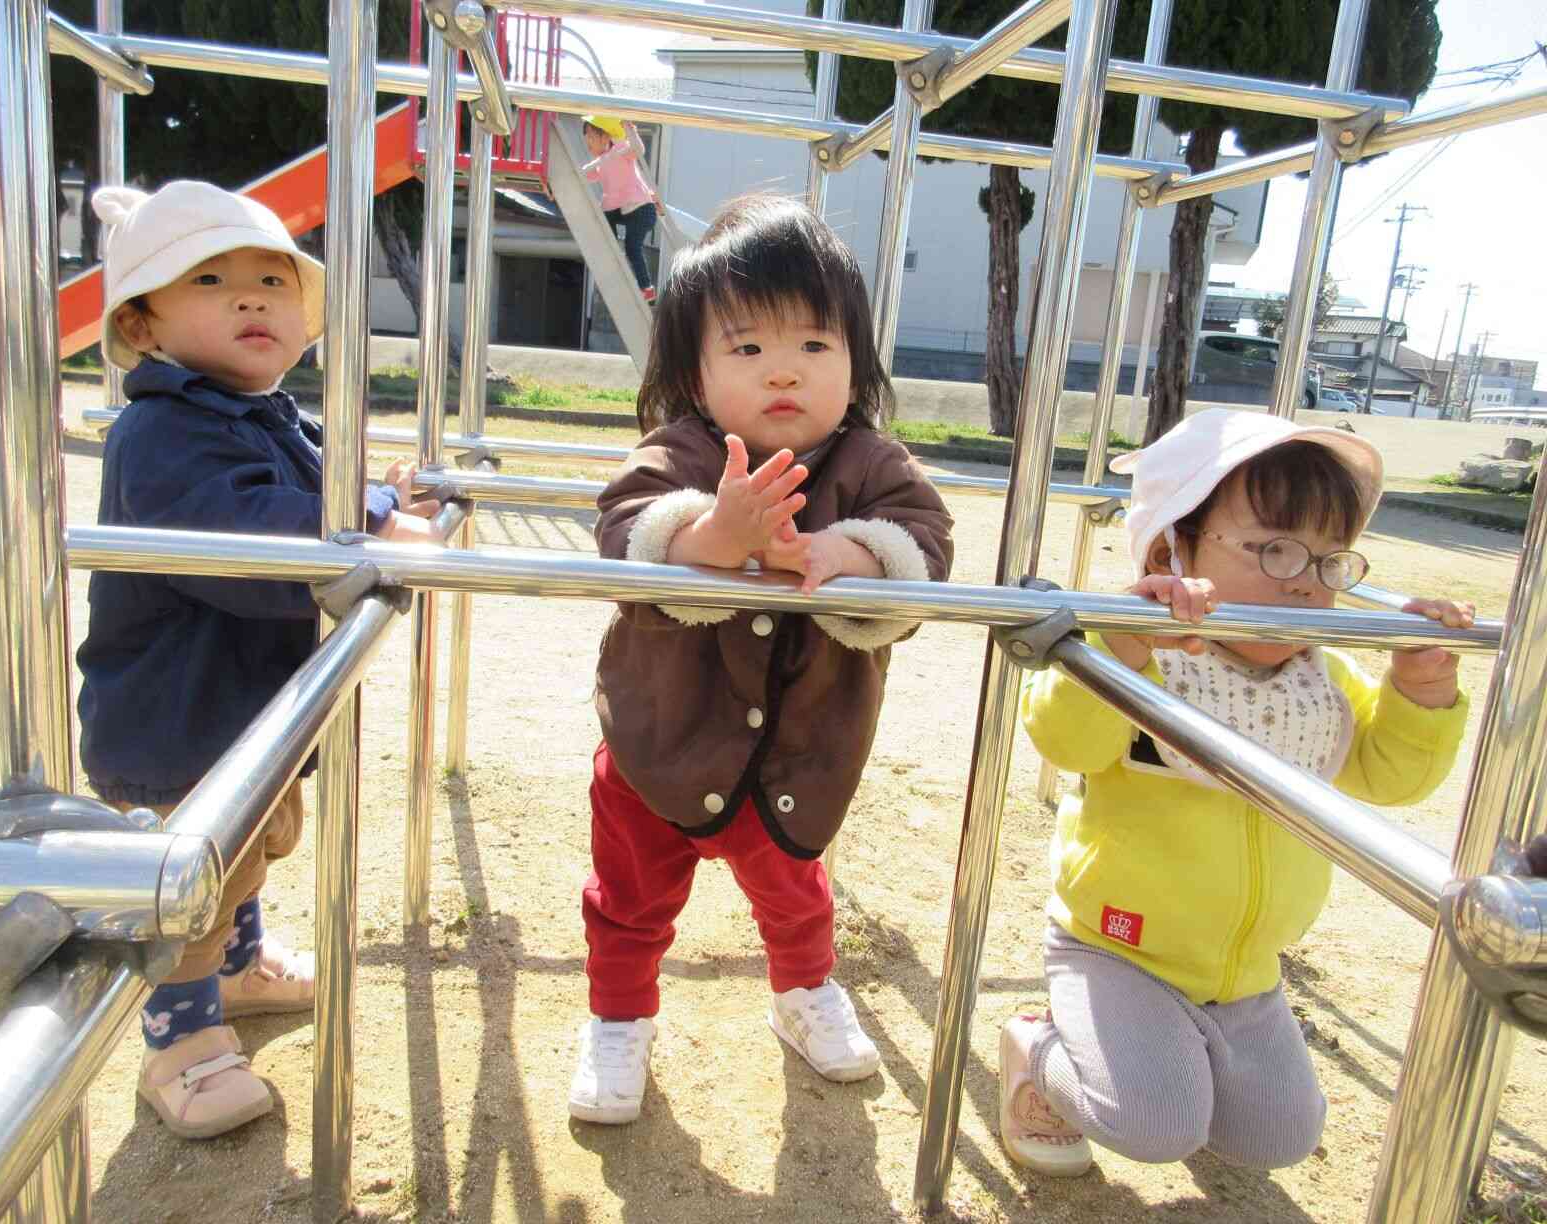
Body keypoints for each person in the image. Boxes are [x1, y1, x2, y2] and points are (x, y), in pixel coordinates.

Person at [570, 194, 955, 1124]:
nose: (783, 369)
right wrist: (710, 535)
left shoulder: (873, 464)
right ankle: (617, 1019)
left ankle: (803, 992)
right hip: (659, 742)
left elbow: (927, 545)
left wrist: (849, 554)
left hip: (797, 753)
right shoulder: (682, 452)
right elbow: (624, 530)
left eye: (814, 346)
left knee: (795, 894)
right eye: (747, 348)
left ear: (855, 362)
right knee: (627, 900)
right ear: (697, 377)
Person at [1010, 408, 1474, 1177]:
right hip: (1117, 949)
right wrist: (1124, 639)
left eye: (1329, 561)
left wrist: (1420, 689)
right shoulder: (1141, 662)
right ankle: (1036, 1043)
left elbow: (1393, 779)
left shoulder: (1322, 680)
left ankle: (1172, 1058)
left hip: (1249, 974)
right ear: (1173, 548)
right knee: (1157, 1129)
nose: (1303, 584)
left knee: (1278, 1141)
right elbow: (1069, 742)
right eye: (1273, 549)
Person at [76, 180, 440, 1140]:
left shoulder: (261, 413)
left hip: (242, 704)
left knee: (255, 846)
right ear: (144, 326)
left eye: (273, 280)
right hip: (176, 716)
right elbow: (247, 539)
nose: (251, 299)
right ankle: (180, 1042)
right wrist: (363, 522)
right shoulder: (162, 431)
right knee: (192, 882)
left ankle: (238, 971)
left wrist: (373, 492)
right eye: (211, 280)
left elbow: (318, 482)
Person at [581, 114, 660, 302]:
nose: (588, 143)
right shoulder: (602, 160)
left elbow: (638, 149)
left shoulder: (620, 148)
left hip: (641, 207)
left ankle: (646, 287)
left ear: (606, 136)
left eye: (592, 137)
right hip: (621, 209)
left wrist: (628, 129)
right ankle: (611, 249)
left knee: (632, 247)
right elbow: (588, 175)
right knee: (603, 216)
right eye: (586, 139)